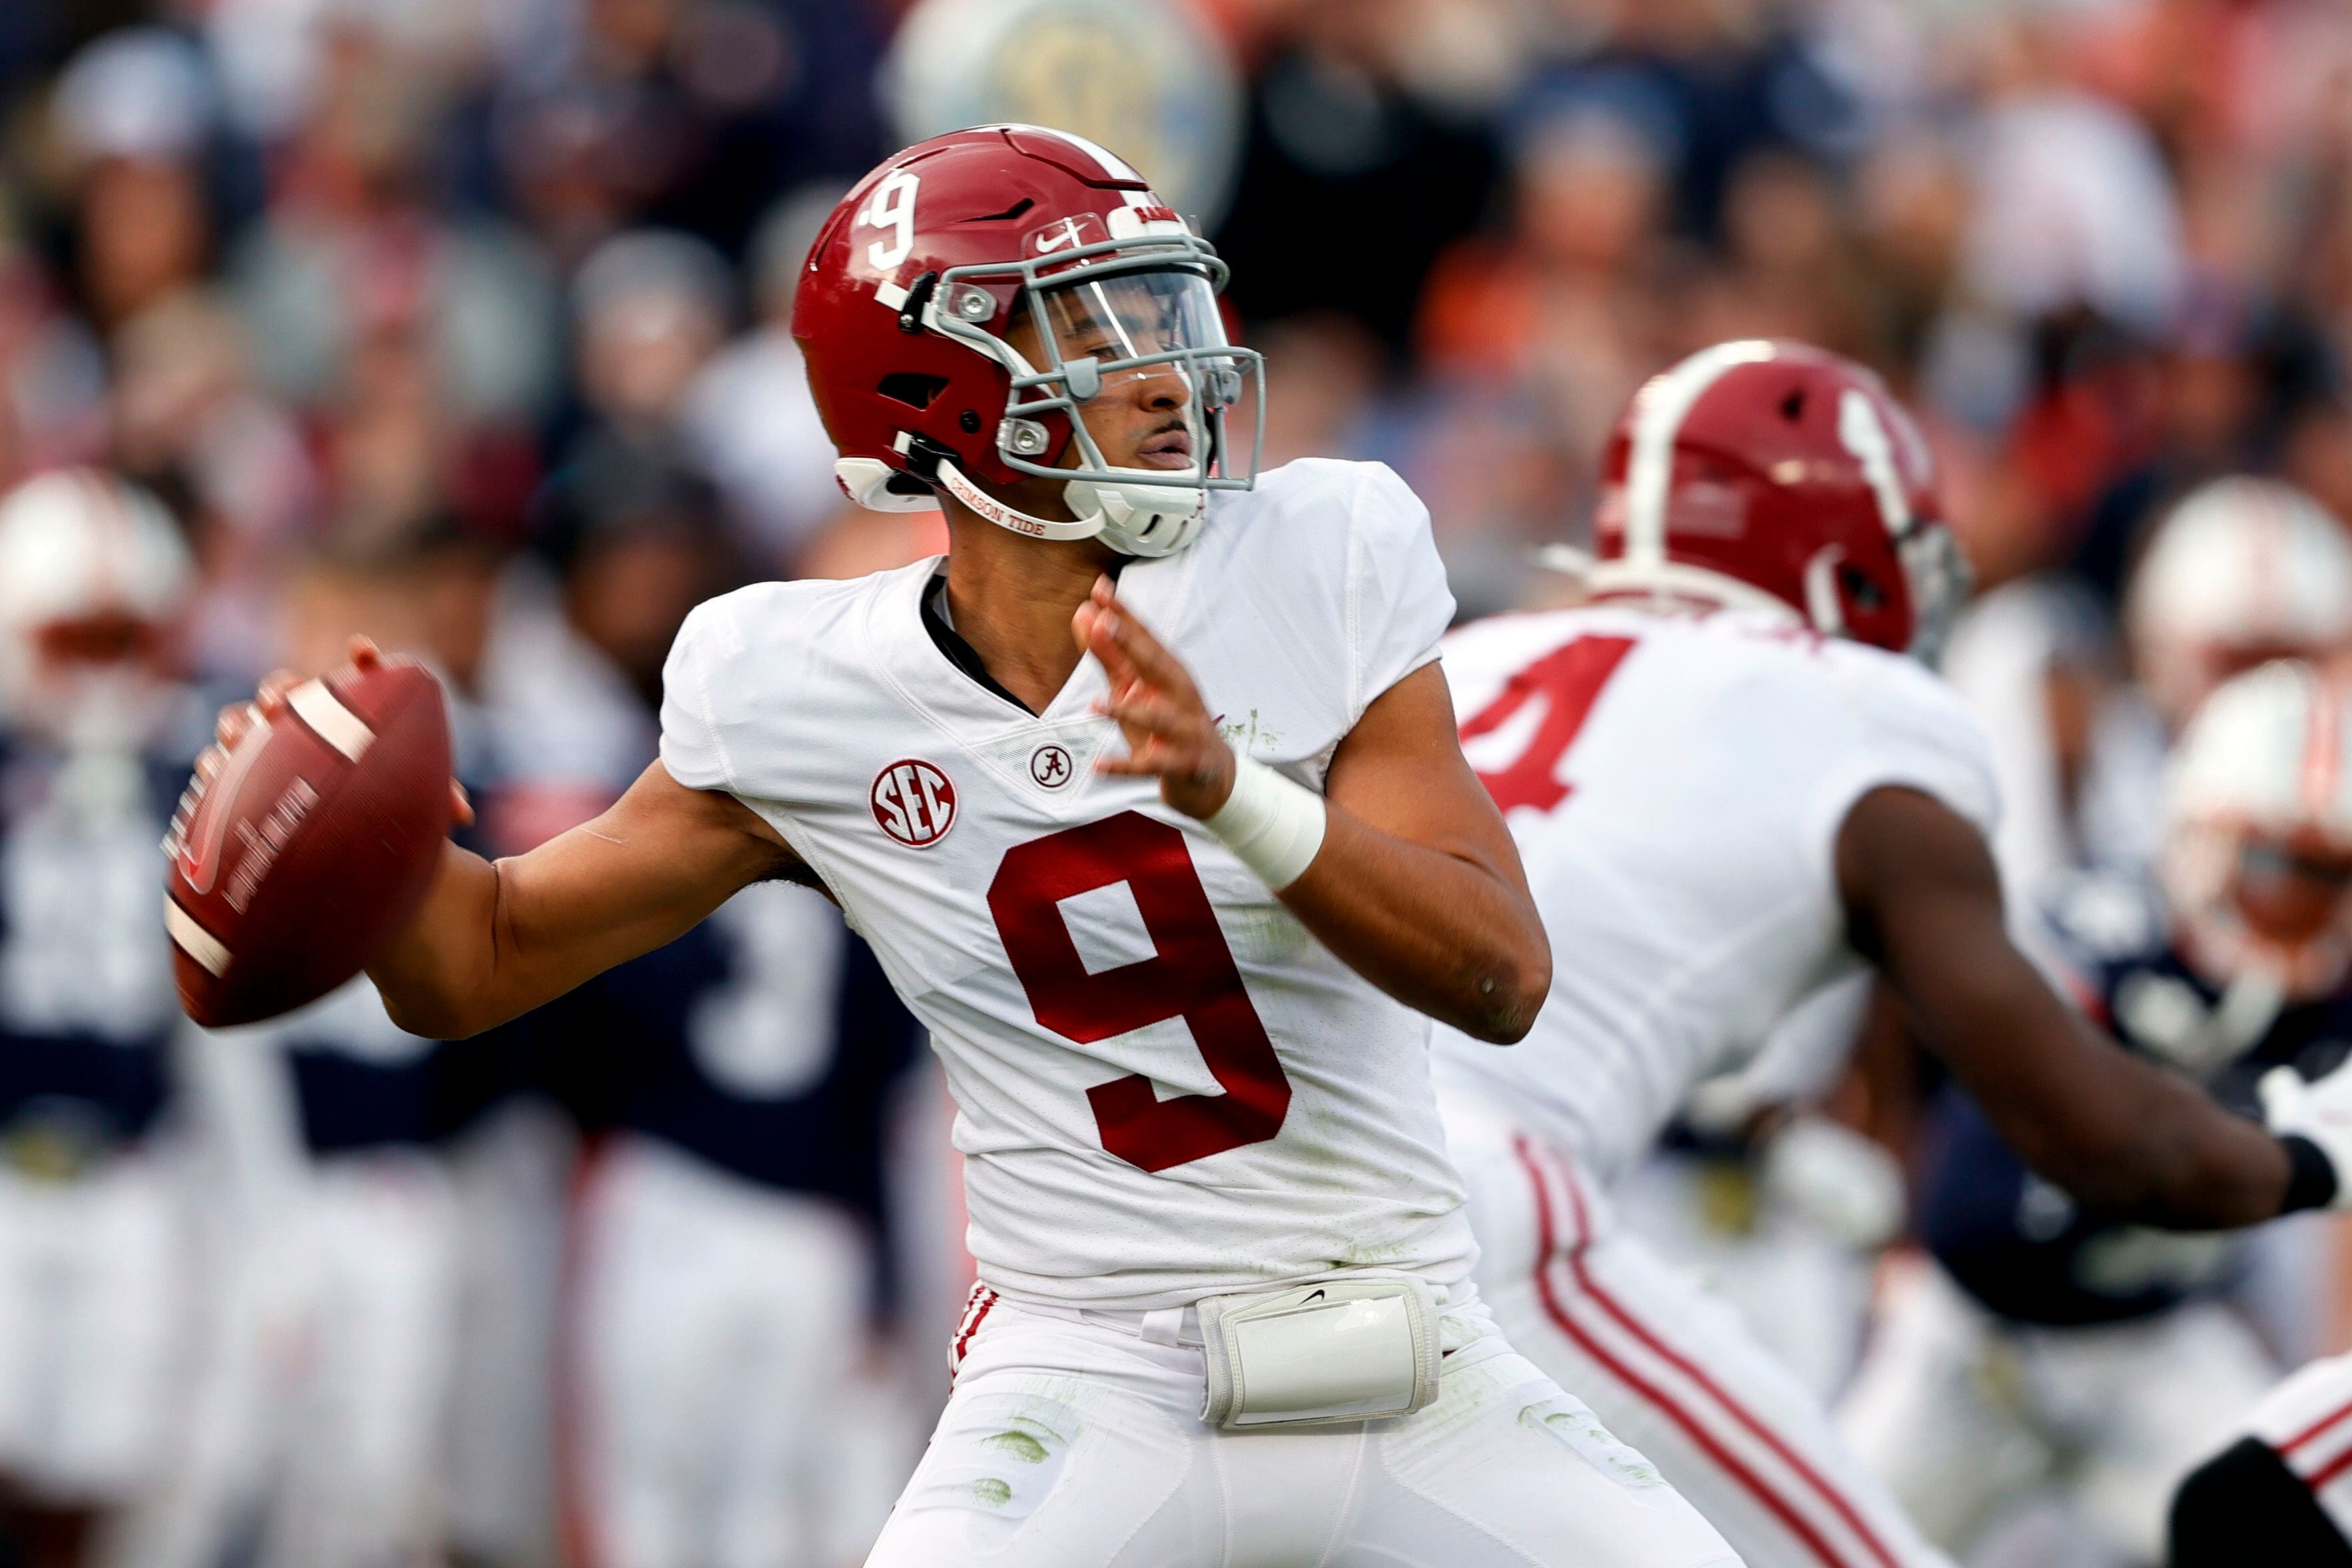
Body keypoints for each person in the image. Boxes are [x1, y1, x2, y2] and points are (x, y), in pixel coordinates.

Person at [197, 125, 1741, 1568]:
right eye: (1092, 326)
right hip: (1089, 1367)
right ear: (927, 392)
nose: (1167, 369)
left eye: (1162, 308)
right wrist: (350, 839)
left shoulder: (1321, 551)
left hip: (1409, 1340)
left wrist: (1235, 793)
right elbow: (474, 961)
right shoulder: (796, 687)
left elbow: (1496, 972)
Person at [1427, 338, 2352, 1568]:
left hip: (1245, 1184)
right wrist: (2307, 1154)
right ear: (1831, 548)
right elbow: (2107, 1141)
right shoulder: (1865, 719)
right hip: (1486, 1206)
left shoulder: (1466, 656)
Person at [1841, 658, 2352, 1563]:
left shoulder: (2328, 993)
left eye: (2331, 876)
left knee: (2295, 1530)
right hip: (1972, 1340)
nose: (2302, 907)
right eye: (2279, 865)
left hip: (2155, 1340)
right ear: (2202, 830)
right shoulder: (2105, 932)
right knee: (1827, 1543)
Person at [0, 470, 204, 1568]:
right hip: (7, 1164)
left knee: (114, 1468)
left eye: (129, 639)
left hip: (133, 1165)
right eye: (79, 640)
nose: (107, 676)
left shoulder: (193, 765)